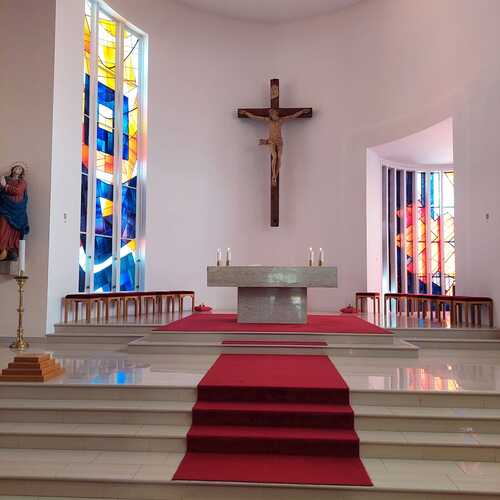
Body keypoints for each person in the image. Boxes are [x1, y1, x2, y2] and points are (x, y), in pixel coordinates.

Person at [241, 107, 308, 186]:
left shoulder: (281, 120)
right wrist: (246, 113)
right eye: (272, 114)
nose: (274, 115)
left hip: (279, 141)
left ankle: (275, 176)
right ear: (271, 115)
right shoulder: (268, 120)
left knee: (279, 157)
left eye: (275, 114)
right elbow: (255, 117)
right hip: (271, 141)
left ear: (277, 114)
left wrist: (302, 111)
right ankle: (274, 176)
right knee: (275, 157)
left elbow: (292, 116)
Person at [0, 163, 29, 261]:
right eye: (17, 167)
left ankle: (10, 250)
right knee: (3, 227)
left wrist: (5, 186)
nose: (18, 169)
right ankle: (2, 249)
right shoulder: (5, 179)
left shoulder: (23, 182)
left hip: (17, 211)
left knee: (14, 232)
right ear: (12, 169)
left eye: (20, 169)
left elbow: (17, 191)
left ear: (22, 172)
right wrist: (2, 185)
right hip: (5, 208)